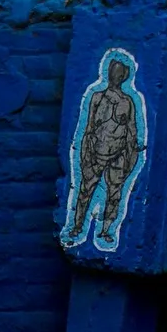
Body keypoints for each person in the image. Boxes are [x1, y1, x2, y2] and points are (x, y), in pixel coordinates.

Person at [65, 54, 144, 246]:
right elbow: (89, 127)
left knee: (114, 193)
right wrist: (86, 152)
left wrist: (132, 152)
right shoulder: (97, 97)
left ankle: (106, 229)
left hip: (118, 154)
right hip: (95, 150)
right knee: (85, 190)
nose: (114, 76)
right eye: (112, 71)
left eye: (118, 73)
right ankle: (77, 226)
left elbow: (132, 131)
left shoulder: (128, 102)